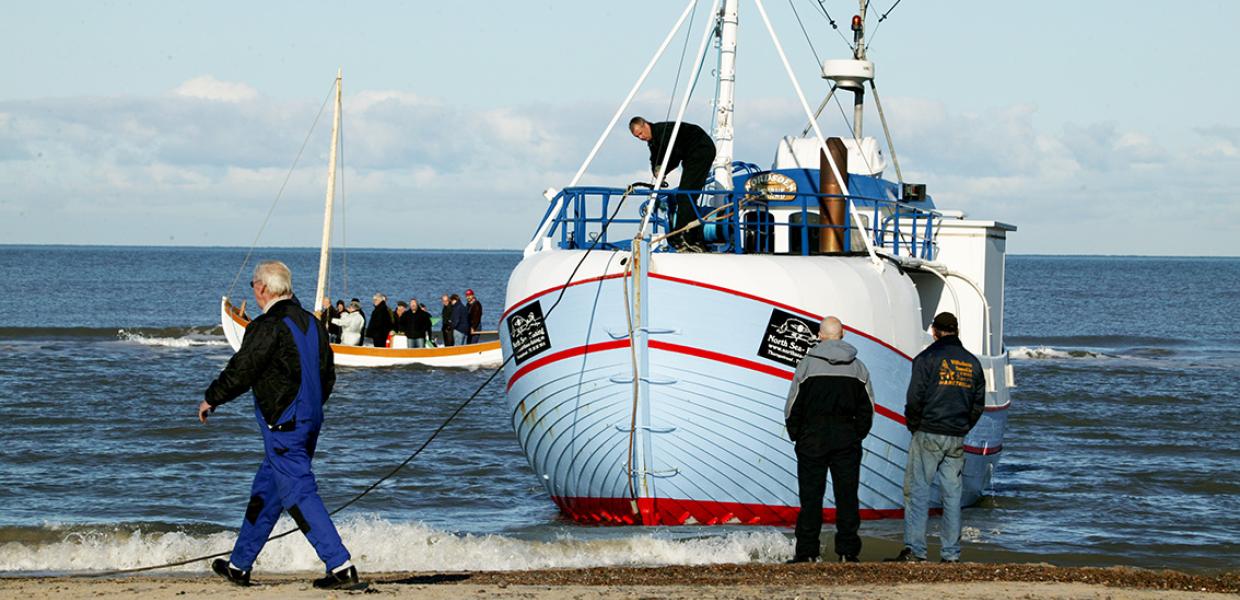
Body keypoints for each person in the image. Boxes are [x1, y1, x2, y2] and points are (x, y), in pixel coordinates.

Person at [197, 260, 362, 590]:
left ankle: (341, 567)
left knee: (299, 492)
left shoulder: (267, 325)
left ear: (262, 288)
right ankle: (239, 566)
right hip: (307, 421)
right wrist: (308, 408)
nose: (254, 293)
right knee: (267, 492)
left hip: (285, 425)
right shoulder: (313, 325)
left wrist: (211, 398)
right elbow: (328, 376)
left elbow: (242, 369)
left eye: (253, 287)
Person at [887, 312, 986, 564]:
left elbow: (914, 398)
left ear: (934, 331)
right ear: (956, 331)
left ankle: (916, 550)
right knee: (952, 497)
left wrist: (914, 425)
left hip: (928, 431)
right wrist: (963, 426)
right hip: (956, 436)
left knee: (917, 491)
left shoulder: (926, 358)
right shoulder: (972, 363)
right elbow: (978, 403)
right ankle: (951, 554)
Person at [784, 316, 874, 564]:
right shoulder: (858, 367)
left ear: (820, 335)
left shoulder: (806, 366)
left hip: (812, 440)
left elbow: (793, 406)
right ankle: (847, 552)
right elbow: (867, 409)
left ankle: (807, 552)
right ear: (842, 334)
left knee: (810, 498)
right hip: (846, 440)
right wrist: (856, 434)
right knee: (847, 498)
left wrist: (797, 435)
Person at [629, 116, 717, 251]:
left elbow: (674, 155)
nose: (641, 137)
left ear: (646, 125)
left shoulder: (665, 132)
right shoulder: (653, 140)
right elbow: (655, 157)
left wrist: (664, 170)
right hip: (689, 155)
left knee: (686, 195)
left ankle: (685, 236)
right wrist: (657, 170)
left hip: (701, 150)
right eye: (637, 137)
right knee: (684, 195)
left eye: (641, 133)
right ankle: (685, 234)